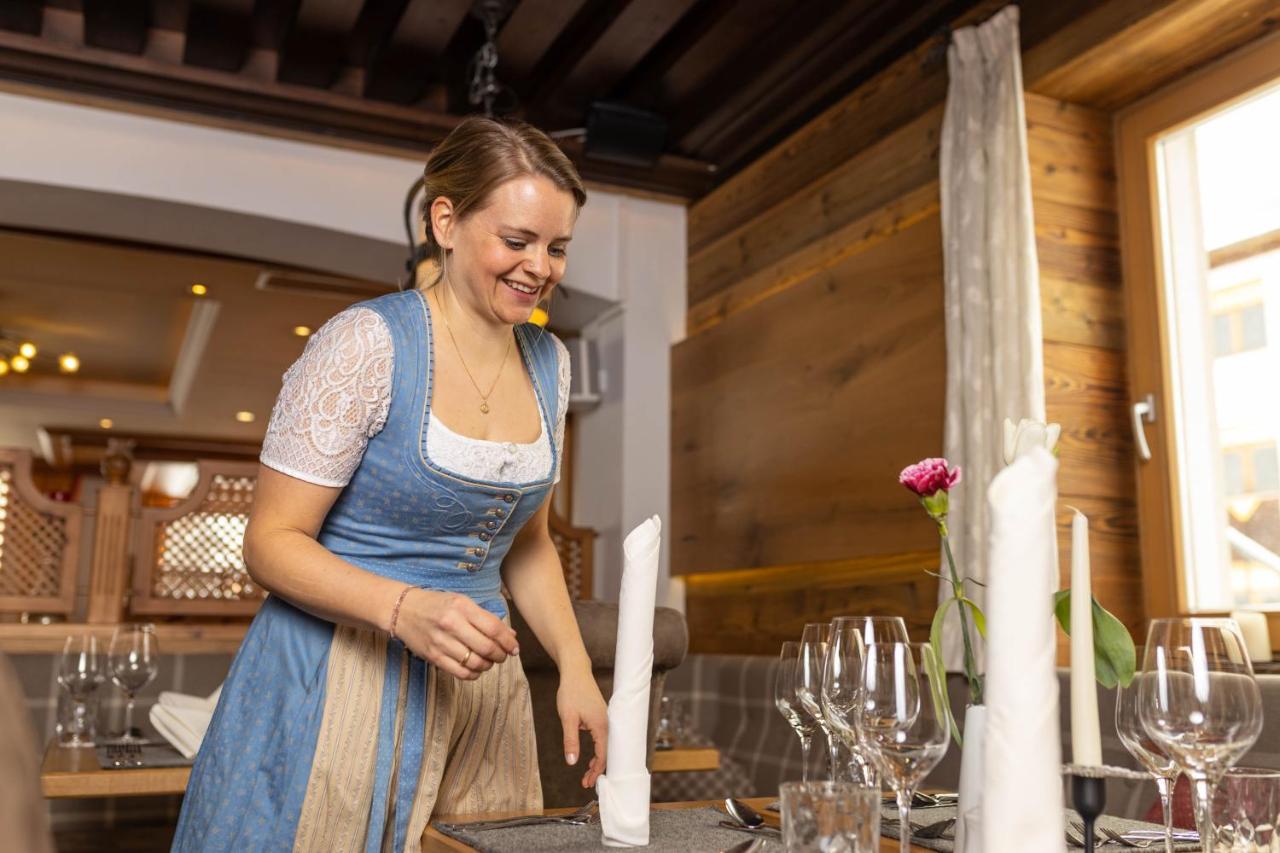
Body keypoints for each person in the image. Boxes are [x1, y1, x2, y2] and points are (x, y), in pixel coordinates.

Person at [173, 116, 608, 852]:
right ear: (446, 220)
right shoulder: (364, 344)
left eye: (557, 246)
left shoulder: (551, 363)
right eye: (517, 240)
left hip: (482, 689)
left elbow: (525, 542)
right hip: (343, 673)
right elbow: (270, 544)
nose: (540, 266)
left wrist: (575, 667)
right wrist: (403, 608)